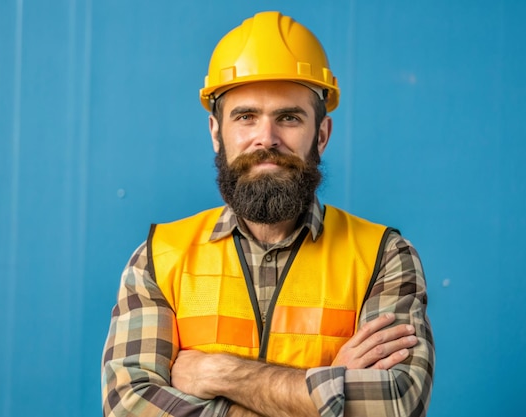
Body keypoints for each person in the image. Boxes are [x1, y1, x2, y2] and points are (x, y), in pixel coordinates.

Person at [102, 11, 434, 417]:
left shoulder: (382, 257)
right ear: (215, 131)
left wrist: (219, 372)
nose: (266, 139)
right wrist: (324, 385)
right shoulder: (160, 258)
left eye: (289, 118)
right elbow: (128, 406)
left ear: (322, 135)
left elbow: (396, 403)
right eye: (245, 116)